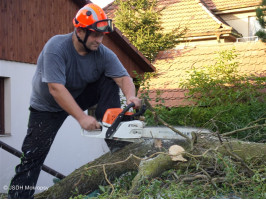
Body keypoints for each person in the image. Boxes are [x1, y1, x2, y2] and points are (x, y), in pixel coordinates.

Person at [8, 3, 141, 199]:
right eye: (95, 34)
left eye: (101, 35)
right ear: (80, 31)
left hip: (77, 97)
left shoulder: (102, 53)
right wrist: (81, 118)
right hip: (46, 108)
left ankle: (114, 138)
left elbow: (123, 77)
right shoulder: (56, 47)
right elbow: (56, 89)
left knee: (110, 79)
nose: (99, 40)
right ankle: (18, 197)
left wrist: (131, 96)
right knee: (32, 157)